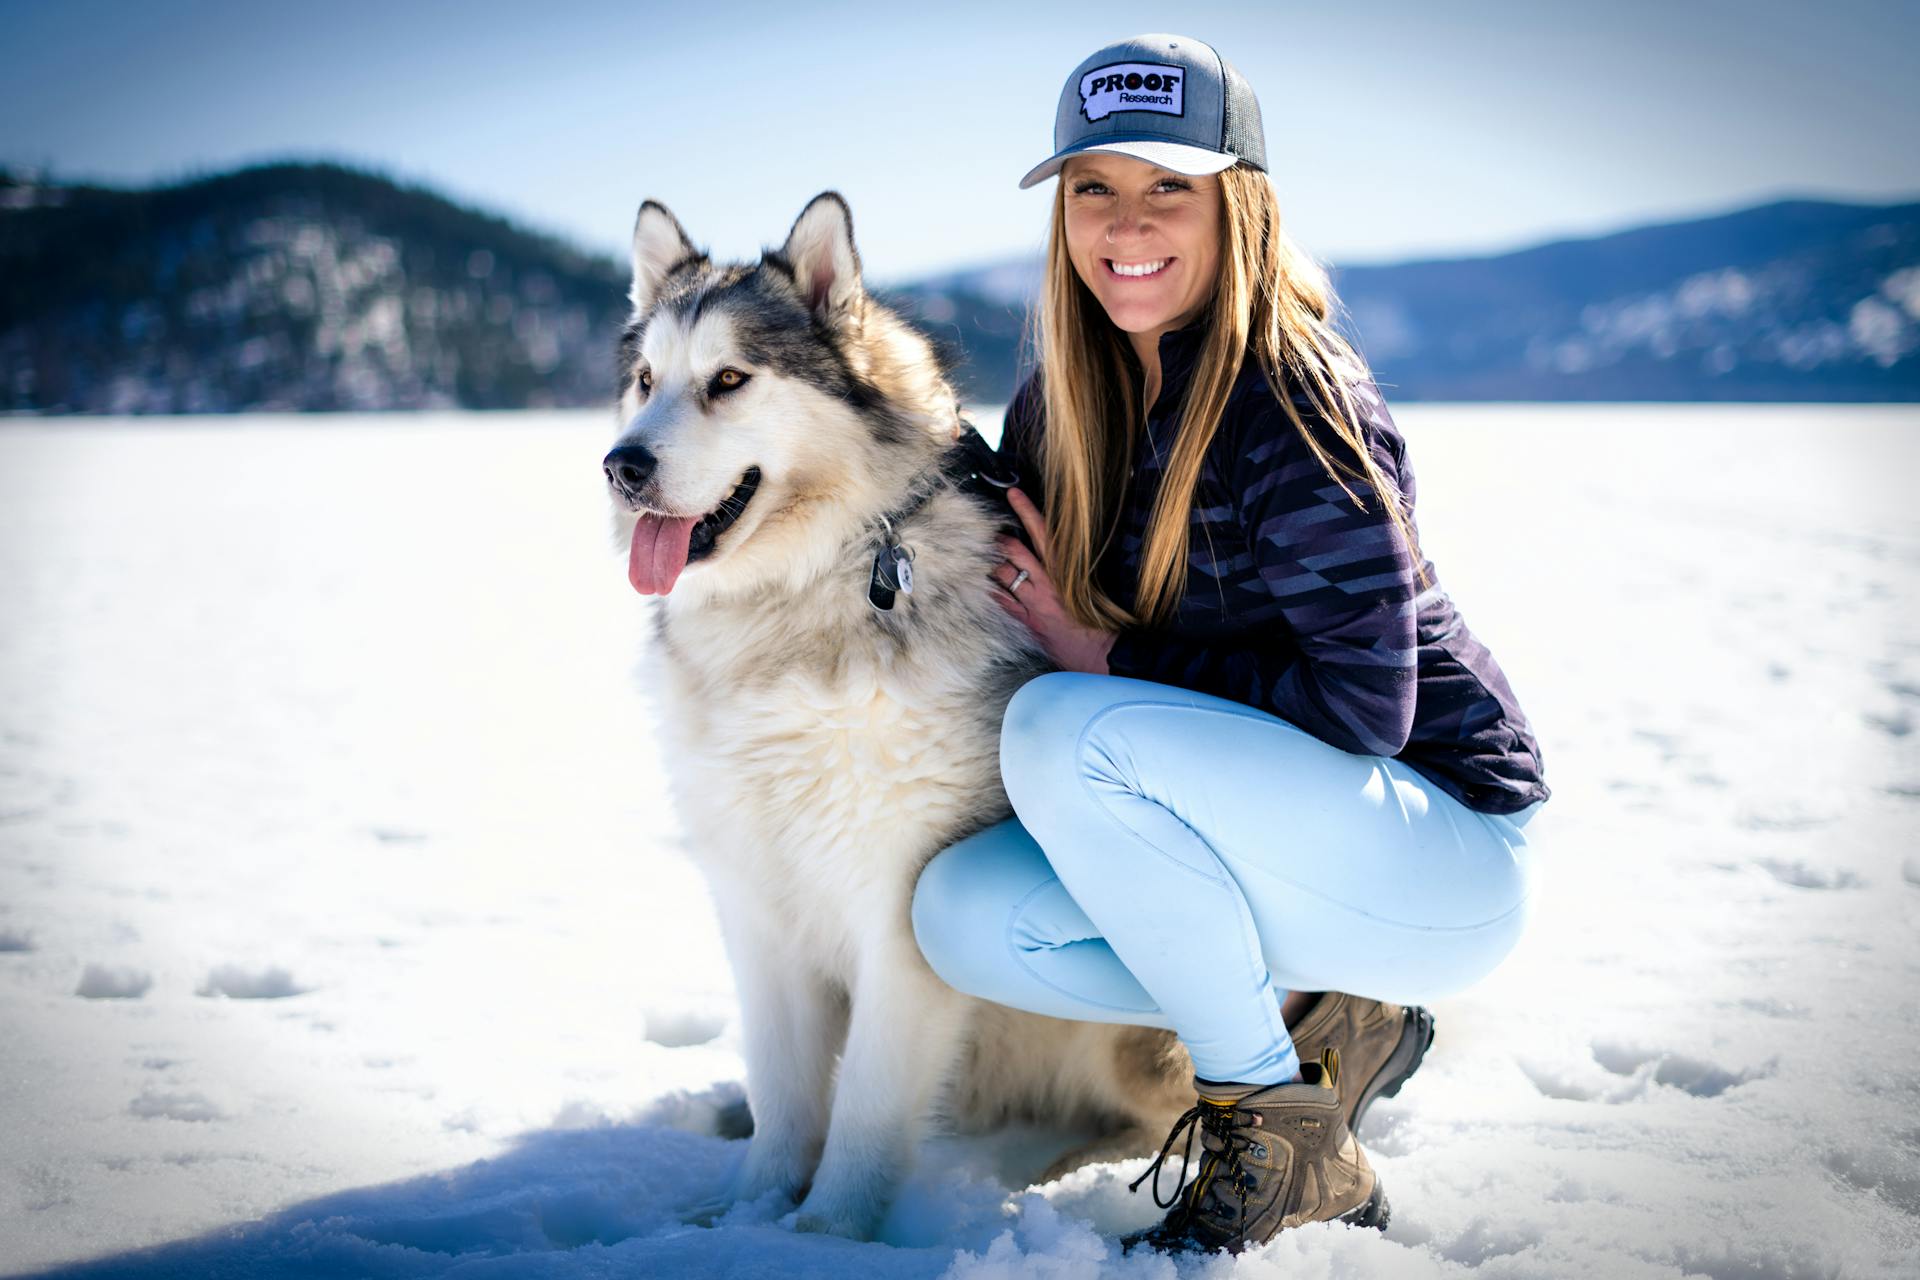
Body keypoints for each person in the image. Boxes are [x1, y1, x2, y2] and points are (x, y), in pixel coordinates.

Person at [908, 32, 1552, 1257]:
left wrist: (1107, 662)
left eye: (1169, 187)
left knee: (1067, 727)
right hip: (1282, 830)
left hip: (1438, 838)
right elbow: (1028, 560)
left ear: (1235, 202)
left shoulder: (1292, 398)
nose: (1125, 221)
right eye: (1094, 186)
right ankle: (1327, 1017)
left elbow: (1368, 708)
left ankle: (1277, 1129)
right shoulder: (1066, 396)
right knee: (965, 914)